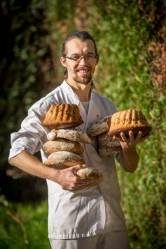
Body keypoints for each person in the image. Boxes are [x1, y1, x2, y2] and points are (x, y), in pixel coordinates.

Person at [9, 31, 142, 249]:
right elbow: (16, 154)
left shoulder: (108, 107)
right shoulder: (48, 107)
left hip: (113, 221)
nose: (83, 62)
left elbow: (130, 166)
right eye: (76, 56)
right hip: (73, 224)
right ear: (64, 61)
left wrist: (129, 149)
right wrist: (56, 175)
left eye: (90, 55)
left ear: (97, 60)